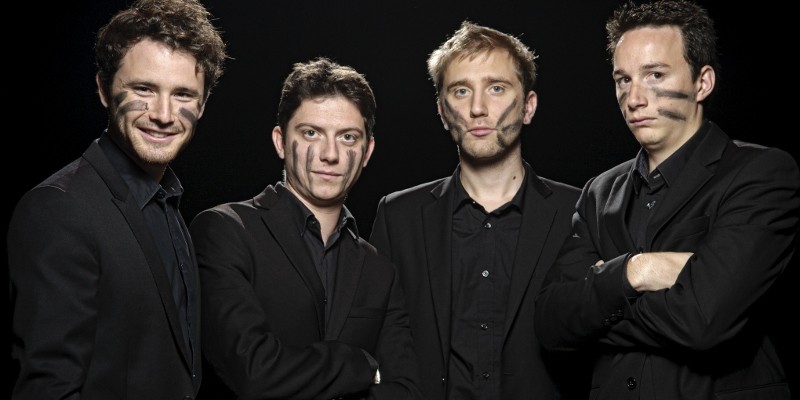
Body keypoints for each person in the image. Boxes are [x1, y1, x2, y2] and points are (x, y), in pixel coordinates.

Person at [533, 0, 800, 399]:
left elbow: (702, 320)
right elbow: (551, 323)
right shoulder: (599, 192)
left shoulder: (760, 173)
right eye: (623, 80)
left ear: (702, 83)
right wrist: (637, 270)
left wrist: (600, 301)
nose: (634, 98)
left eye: (655, 75)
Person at [7, 0, 227, 398]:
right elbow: (50, 388)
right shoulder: (58, 209)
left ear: (203, 104)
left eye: (182, 94)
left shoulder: (168, 203)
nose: (164, 114)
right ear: (104, 90)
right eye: (144, 89)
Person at [369, 21, 587, 399]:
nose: (477, 108)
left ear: (529, 106)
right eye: (461, 90)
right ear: (442, 111)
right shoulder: (398, 218)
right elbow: (379, 341)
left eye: (496, 88)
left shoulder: (581, 212)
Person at [189, 57, 421, 400]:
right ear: (281, 141)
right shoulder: (225, 231)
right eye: (311, 133)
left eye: (348, 137)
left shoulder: (379, 269)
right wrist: (361, 365)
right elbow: (254, 372)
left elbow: (406, 391)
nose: (330, 154)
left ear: (367, 151)